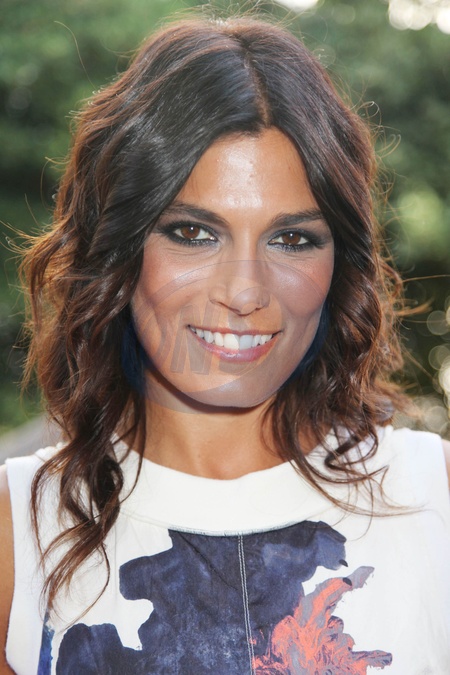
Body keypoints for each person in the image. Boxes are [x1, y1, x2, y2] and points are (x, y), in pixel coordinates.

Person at [1, 13, 449, 675]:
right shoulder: (18, 537)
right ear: (119, 246)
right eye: (193, 233)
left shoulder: (434, 501)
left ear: (339, 266)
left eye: (291, 239)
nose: (245, 292)